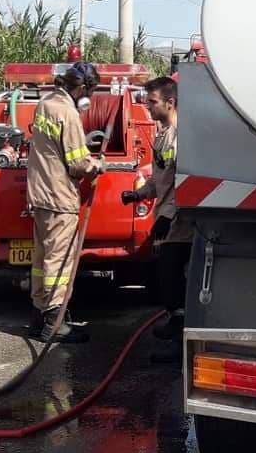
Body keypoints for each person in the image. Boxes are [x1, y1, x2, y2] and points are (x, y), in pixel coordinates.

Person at [26, 61, 104, 342]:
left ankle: (38, 316)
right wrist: (97, 165)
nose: (91, 97)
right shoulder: (68, 114)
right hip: (60, 197)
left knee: (41, 259)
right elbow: (77, 163)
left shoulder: (45, 104)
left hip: (40, 194)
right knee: (59, 261)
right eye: (91, 91)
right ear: (82, 88)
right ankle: (54, 322)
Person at [121, 76, 192, 362]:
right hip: (167, 216)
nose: (147, 107)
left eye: (152, 102)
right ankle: (176, 325)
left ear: (170, 103)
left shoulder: (182, 135)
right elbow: (162, 178)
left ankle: (181, 344)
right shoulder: (163, 135)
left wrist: (167, 216)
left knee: (172, 276)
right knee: (166, 277)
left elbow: (184, 183)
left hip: (181, 221)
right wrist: (138, 194)